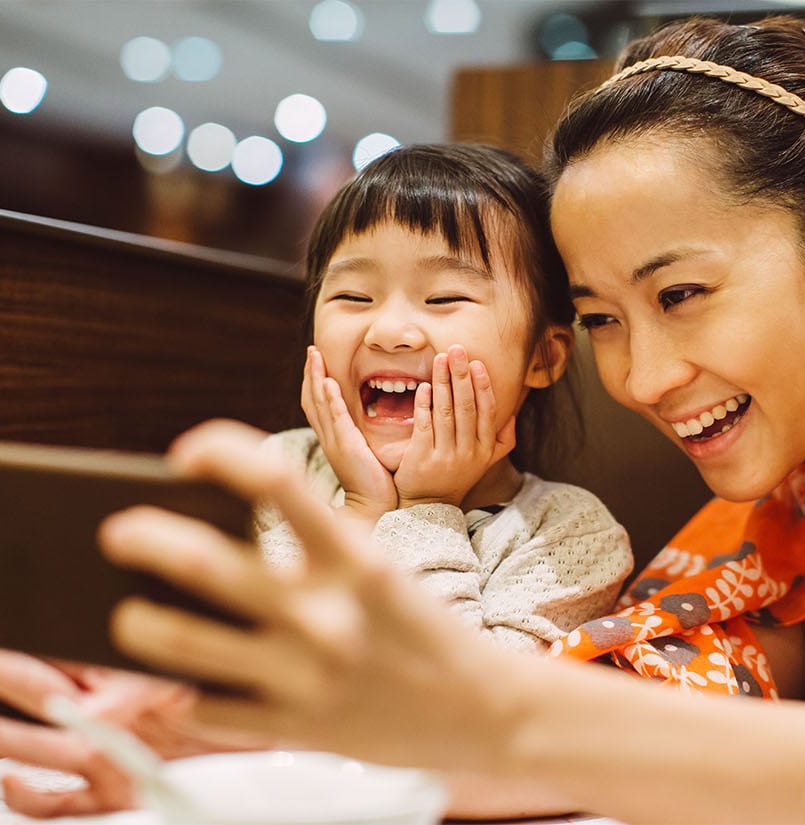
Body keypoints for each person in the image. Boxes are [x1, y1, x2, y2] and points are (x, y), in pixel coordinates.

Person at [0, 16, 805, 824]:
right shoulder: (777, 517)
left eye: (681, 294)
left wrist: (484, 712)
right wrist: (217, 737)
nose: (641, 378)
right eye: (601, 320)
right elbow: (626, 711)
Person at [258, 142, 630, 653]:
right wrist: (362, 508)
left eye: (444, 298)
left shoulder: (570, 535)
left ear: (542, 357)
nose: (388, 331)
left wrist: (426, 509)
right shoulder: (279, 470)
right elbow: (244, 646)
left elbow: (468, 701)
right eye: (354, 297)